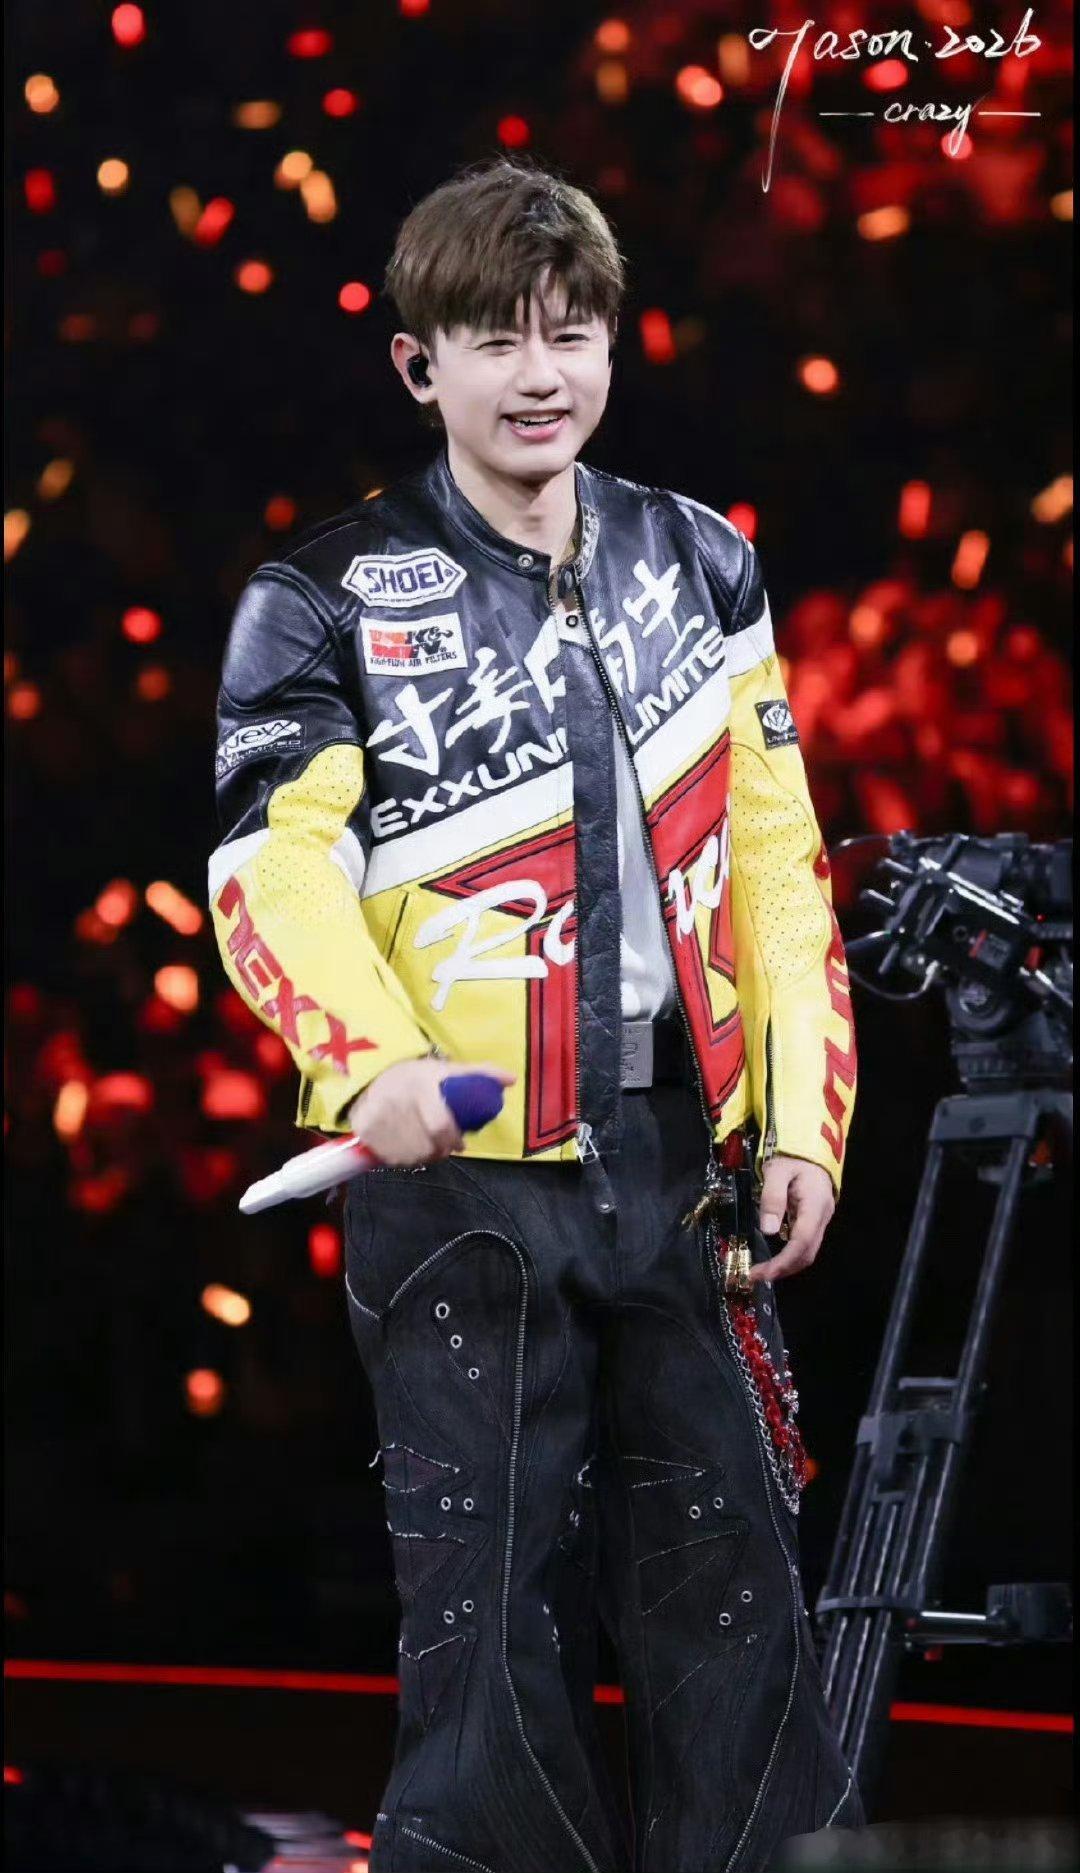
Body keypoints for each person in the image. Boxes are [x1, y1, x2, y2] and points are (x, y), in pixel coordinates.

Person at [209, 157, 862, 1873]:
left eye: (571, 332)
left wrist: (802, 1118)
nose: (540, 373)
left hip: (687, 1159)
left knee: (738, 1603)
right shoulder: (321, 595)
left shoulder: (701, 558)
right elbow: (273, 870)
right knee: (487, 1627)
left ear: (612, 344)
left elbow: (778, 859)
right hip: (456, 1177)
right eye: (495, 338)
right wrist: (372, 1060)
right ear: (419, 363)